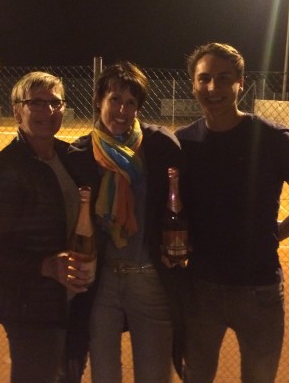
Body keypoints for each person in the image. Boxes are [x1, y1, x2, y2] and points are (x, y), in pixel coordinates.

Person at [176, 42, 289, 382]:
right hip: (200, 289)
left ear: (240, 83)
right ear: (193, 83)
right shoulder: (183, 142)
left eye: (224, 78)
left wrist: (276, 234)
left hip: (259, 290)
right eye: (204, 78)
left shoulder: (272, 138)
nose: (213, 87)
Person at [68, 62, 185, 383]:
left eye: (131, 102)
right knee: (104, 374)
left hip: (149, 279)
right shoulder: (80, 153)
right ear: (98, 101)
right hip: (101, 281)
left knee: (155, 375)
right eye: (115, 99)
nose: (122, 110)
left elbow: (184, 205)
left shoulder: (160, 146)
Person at [0, 72, 94, 383]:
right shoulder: (4, 169)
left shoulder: (70, 157)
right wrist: (44, 266)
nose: (48, 111)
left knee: (70, 376)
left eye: (55, 103)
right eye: (37, 103)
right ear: (17, 111)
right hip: (31, 305)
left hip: (72, 298)